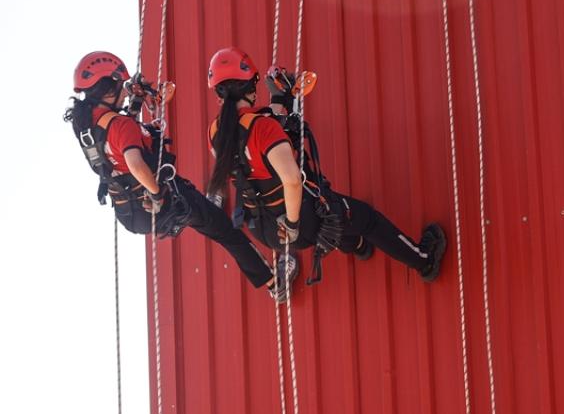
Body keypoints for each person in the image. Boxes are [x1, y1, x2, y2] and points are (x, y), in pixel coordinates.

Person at [65, 51, 298, 301]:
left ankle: (208, 203)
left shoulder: (87, 125)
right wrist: (156, 193)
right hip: (160, 203)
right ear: (107, 88)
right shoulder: (122, 126)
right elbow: (134, 162)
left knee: (204, 213)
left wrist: (135, 107)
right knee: (223, 229)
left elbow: (114, 145)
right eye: (120, 86)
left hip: (129, 212)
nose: (124, 92)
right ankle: (274, 283)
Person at [204, 46, 447, 284]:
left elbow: (256, 152)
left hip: (262, 228)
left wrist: (280, 99)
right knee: (366, 218)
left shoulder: (215, 133)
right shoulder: (262, 128)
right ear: (250, 86)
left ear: (218, 94)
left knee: (338, 214)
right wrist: (291, 224)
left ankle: (358, 246)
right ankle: (424, 260)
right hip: (295, 222)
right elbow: (291, 179)